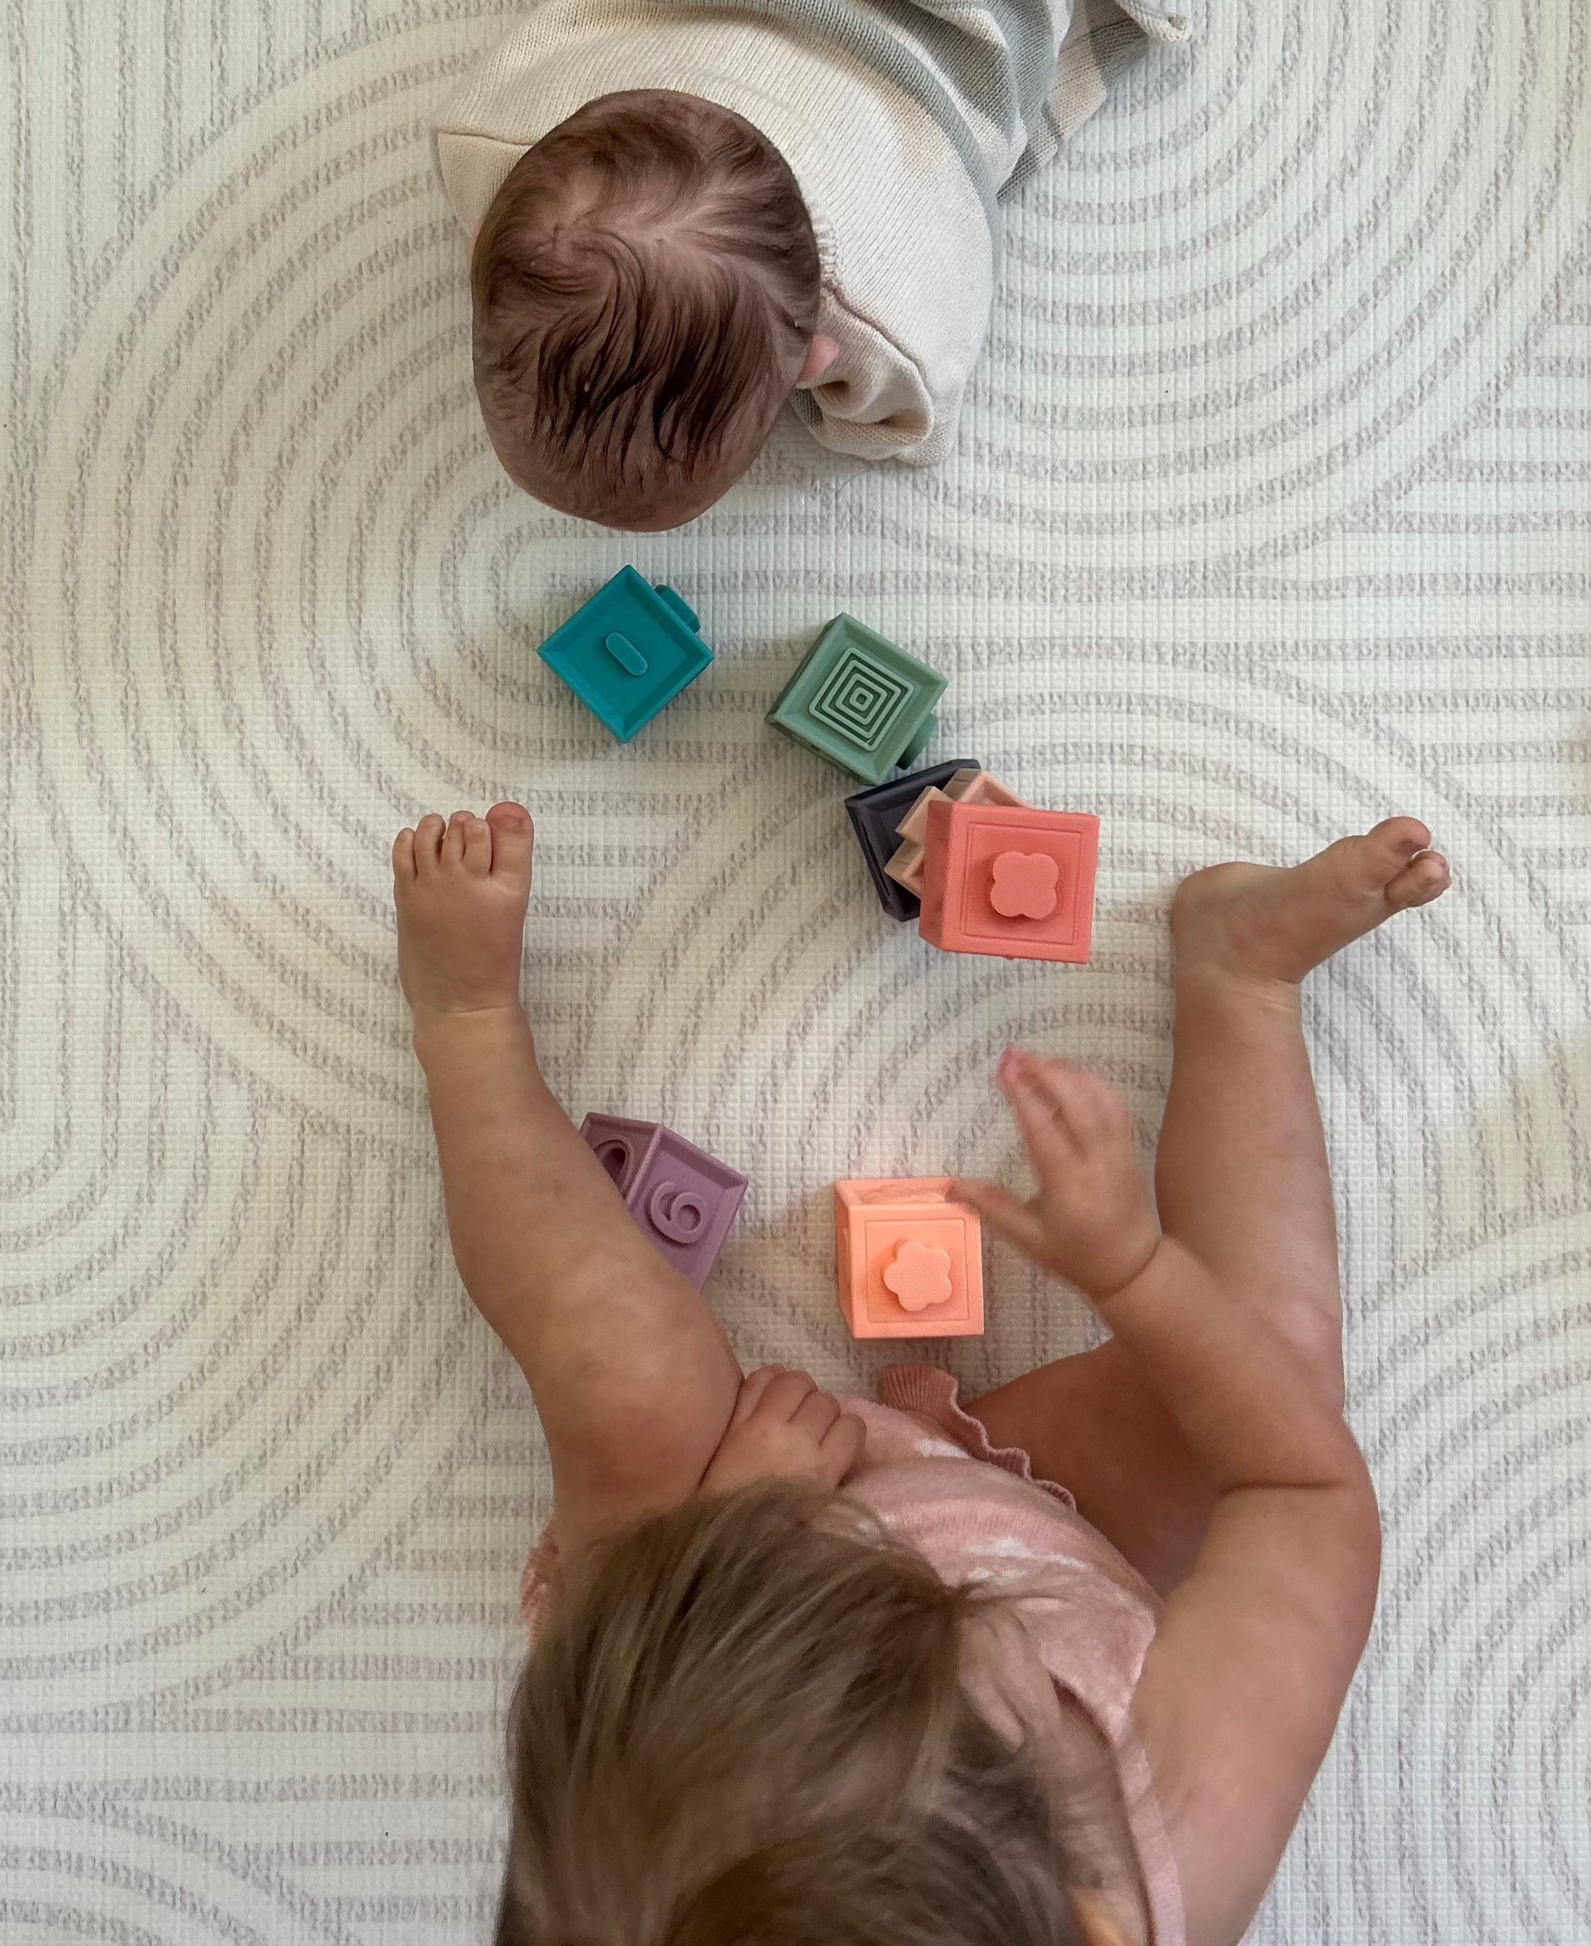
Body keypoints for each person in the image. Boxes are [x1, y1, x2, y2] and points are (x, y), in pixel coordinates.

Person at [393, 799, 1449, 1944]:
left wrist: (726, 1541)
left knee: (624, 1379)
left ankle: (464, 1024)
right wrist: (1138, 1274)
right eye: (977, 1685)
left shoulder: (650, 1791)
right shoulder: (1182, 1824)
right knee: (1268, 1356)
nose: (922, 1602)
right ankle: (1240, 977)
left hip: (679, 1583)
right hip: (1056, 1517)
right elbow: (1302, 1486)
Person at [433, 0, 1189, 527]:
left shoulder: (884, 308)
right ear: (476, 247)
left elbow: (910, 425)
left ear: (818, 357)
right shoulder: (492, 134)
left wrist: (844, 389)